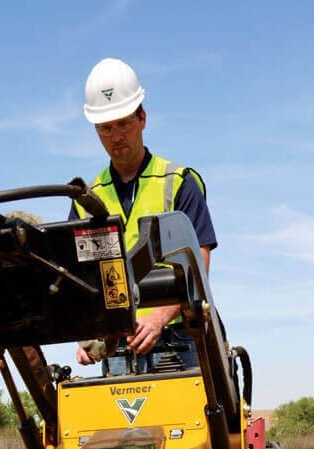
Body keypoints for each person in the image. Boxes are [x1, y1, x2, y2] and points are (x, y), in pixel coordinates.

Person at [73, 58, 217, 375]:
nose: (116, 136)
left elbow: (200, 260)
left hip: (179, 339)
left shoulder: (178, 182)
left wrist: (160, 317)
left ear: (142, 118)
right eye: (106, 128)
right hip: (117, 343)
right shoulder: (86, 198)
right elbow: (80, 276)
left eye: (123, 123)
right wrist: (87, 332)